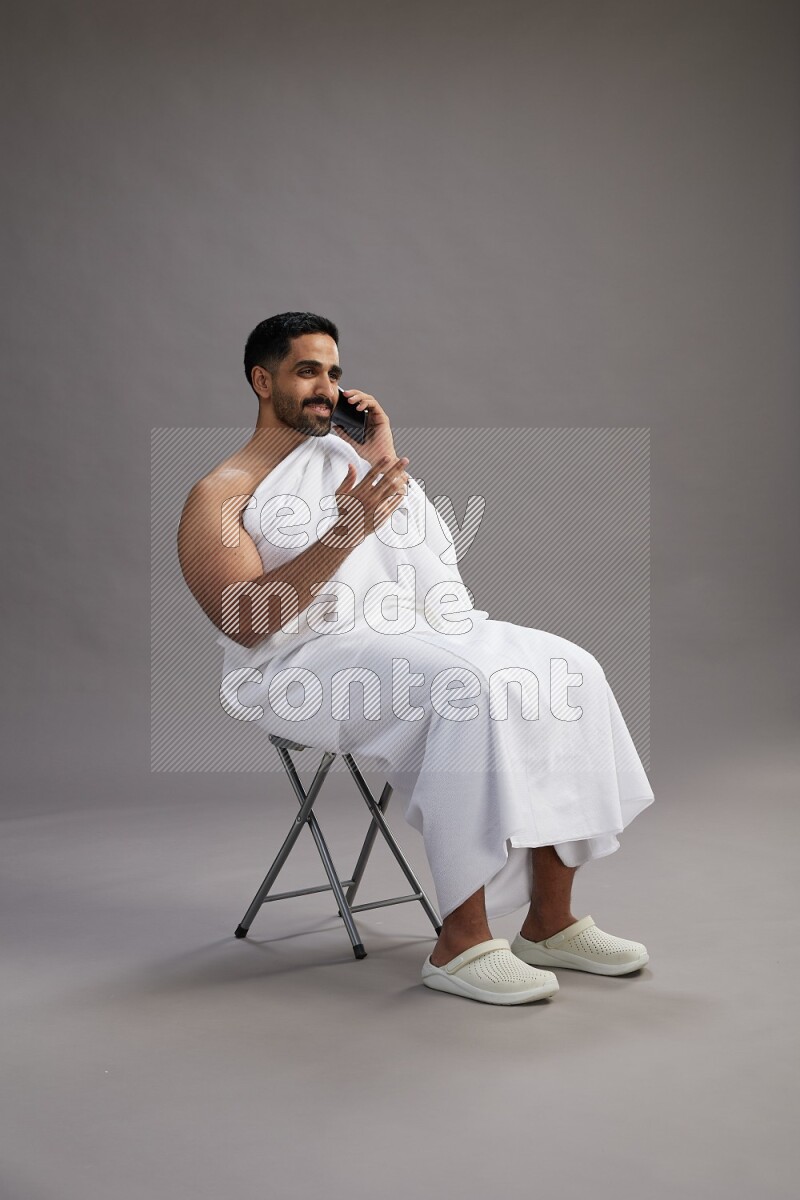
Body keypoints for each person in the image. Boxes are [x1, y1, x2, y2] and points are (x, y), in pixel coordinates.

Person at [177, 312, 655, 1007]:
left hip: (404, 631)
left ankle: (549, 924)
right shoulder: (220, 494)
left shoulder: (350, 464)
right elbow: (247, 622)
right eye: (307, 371)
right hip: (302, 663)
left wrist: (382, 464)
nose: (327, 388)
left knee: (569, 668)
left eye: (334, 373)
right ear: (262, 379)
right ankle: (460, 941)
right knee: (466, 686)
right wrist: (343, 532)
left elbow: (428, 576)